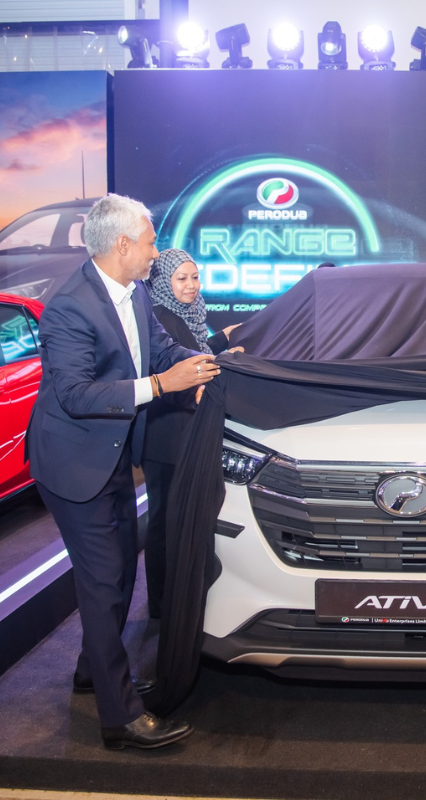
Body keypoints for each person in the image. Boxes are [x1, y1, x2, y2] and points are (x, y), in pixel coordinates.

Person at [26, 194, 221, 750]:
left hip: (112, 454)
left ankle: (94, 671)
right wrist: (162, 385)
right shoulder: (70, 307)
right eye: (152, 243)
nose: (157, 254)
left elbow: (158, 348)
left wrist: (199, 369)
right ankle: (119, 719)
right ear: (123, 245)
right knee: (104, 578)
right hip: (72, 461)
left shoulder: (133, 293)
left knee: (119, 577)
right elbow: (75, 393)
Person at [141, 249, 240, 619]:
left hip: (184, 431)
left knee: (177, 518)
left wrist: (222, 342)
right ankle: (162, 604)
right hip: (165, 436)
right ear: (163, 283)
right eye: (181, 279)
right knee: (164, 520)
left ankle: (175, 598)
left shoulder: (185, 314)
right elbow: (177, 365)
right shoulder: (160, 316)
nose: (191, 285)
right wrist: (220, 360)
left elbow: (192, 350)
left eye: (194, 277)